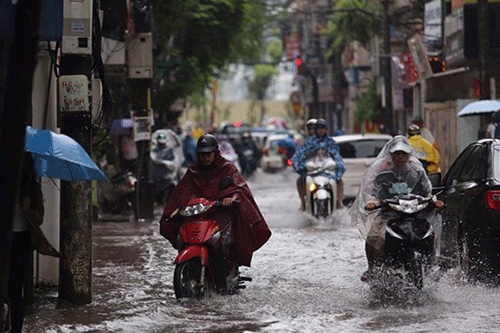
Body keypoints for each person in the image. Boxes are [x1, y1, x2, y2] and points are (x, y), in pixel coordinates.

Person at [159, 134, 271, 290]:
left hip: (221, 214)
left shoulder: (227, 168)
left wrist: (232, 198)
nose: (205, 158)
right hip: (199, 214)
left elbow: (239, 188)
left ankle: (224, 280)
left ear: (215, 152)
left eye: (209, 154)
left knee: (221, 243)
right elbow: (181, 192)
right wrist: (175, 209)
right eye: (202, 154)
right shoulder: (193, 171)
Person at [348, 136, 444, 282]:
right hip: (389, 215)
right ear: (390, 155)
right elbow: (375, 195)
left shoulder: (417, 172)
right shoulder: (382, 174)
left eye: (404, 154)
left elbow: (427, 193)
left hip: (415, 214)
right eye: (397, 154)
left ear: (409, 154)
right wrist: (372, 203)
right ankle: (372, 268)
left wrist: (435, 202)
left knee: (432, 234)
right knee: (373, 237)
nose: (400, 157)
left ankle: (431, 267)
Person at [292, 118, 346, 210]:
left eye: (323, 128)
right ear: (316, 130)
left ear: (326, 129)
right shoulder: (309, 142)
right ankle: (303, 204)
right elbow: (300, 155)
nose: (321, 130)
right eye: (319, 128)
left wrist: (339, 165)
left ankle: (339, 202)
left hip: (327, 170)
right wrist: (298, 165)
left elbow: (336, 155)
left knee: (340, 181)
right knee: (300, 181)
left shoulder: (330, 142)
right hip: (313, 170)